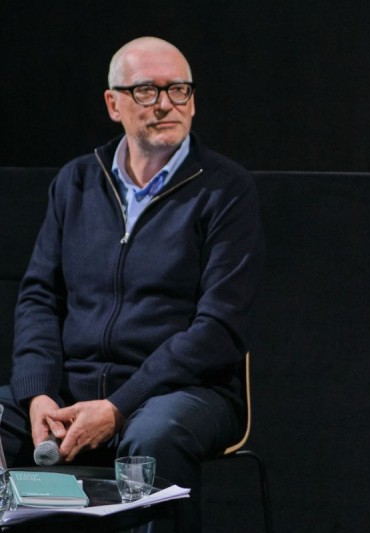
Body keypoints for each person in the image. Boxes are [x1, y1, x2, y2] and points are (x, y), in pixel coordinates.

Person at [0, 37, 264, 530]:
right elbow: (39, 297)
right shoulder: (75, 183)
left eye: (179, 90)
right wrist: (37, 395)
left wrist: (120, 406)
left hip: (183, 392)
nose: (166, 104)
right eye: (147, 90)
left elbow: (220, 328)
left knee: (155, 437)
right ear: (113, 103)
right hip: (74, 389)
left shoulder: (225, 189)